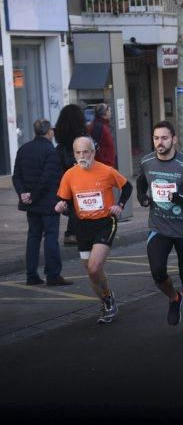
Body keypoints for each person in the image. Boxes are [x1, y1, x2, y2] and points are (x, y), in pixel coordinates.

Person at [136, 121, 183, 334]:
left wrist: (180, 198)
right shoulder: (147, 161)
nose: (160, 142)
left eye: (164, 138)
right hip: (158, 227)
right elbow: (141, 182)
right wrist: (142, 197)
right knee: (157, 272)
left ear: (174, 139)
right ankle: (173, 298)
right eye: (156, 138)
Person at [55, 137, 132, 323]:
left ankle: (107, 300)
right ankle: (107, 299)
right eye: (78, 152)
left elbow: (127, 186)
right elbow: (64, 200)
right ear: (74, 154)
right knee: (92, 272)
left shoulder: (106, 171)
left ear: (93, 152)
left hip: (105, 223)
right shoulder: (69, 175)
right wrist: (61, 206)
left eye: (86, 151)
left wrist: (119, 205)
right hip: (83, 227)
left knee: (94, 266)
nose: (82, 156)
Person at [12, 119, 72, 286]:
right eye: (52, 130)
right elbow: (47, 179)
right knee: (51, 238)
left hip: (32, 205)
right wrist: (32, 195)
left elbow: (16, 176)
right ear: (48, 132)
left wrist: (23, 194)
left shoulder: (23, 149)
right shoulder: (50, 151)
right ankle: (53, 275)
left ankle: (31, 275)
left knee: (33, 238)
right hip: (48, 203)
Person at [54, 103, 87, 245]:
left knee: (74, 203)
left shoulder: (61, 140)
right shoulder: (81, 140)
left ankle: (72, 232)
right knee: (78, 202)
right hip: (76, 174)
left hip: (63, 175)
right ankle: (73, 233)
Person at [88, 103, 116, 168]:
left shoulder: (101, 125)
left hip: (105, 164)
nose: (110, 113)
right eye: (109, 111)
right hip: (104, 165)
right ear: (105, 113)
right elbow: (95, 147)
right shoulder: (99, 127)